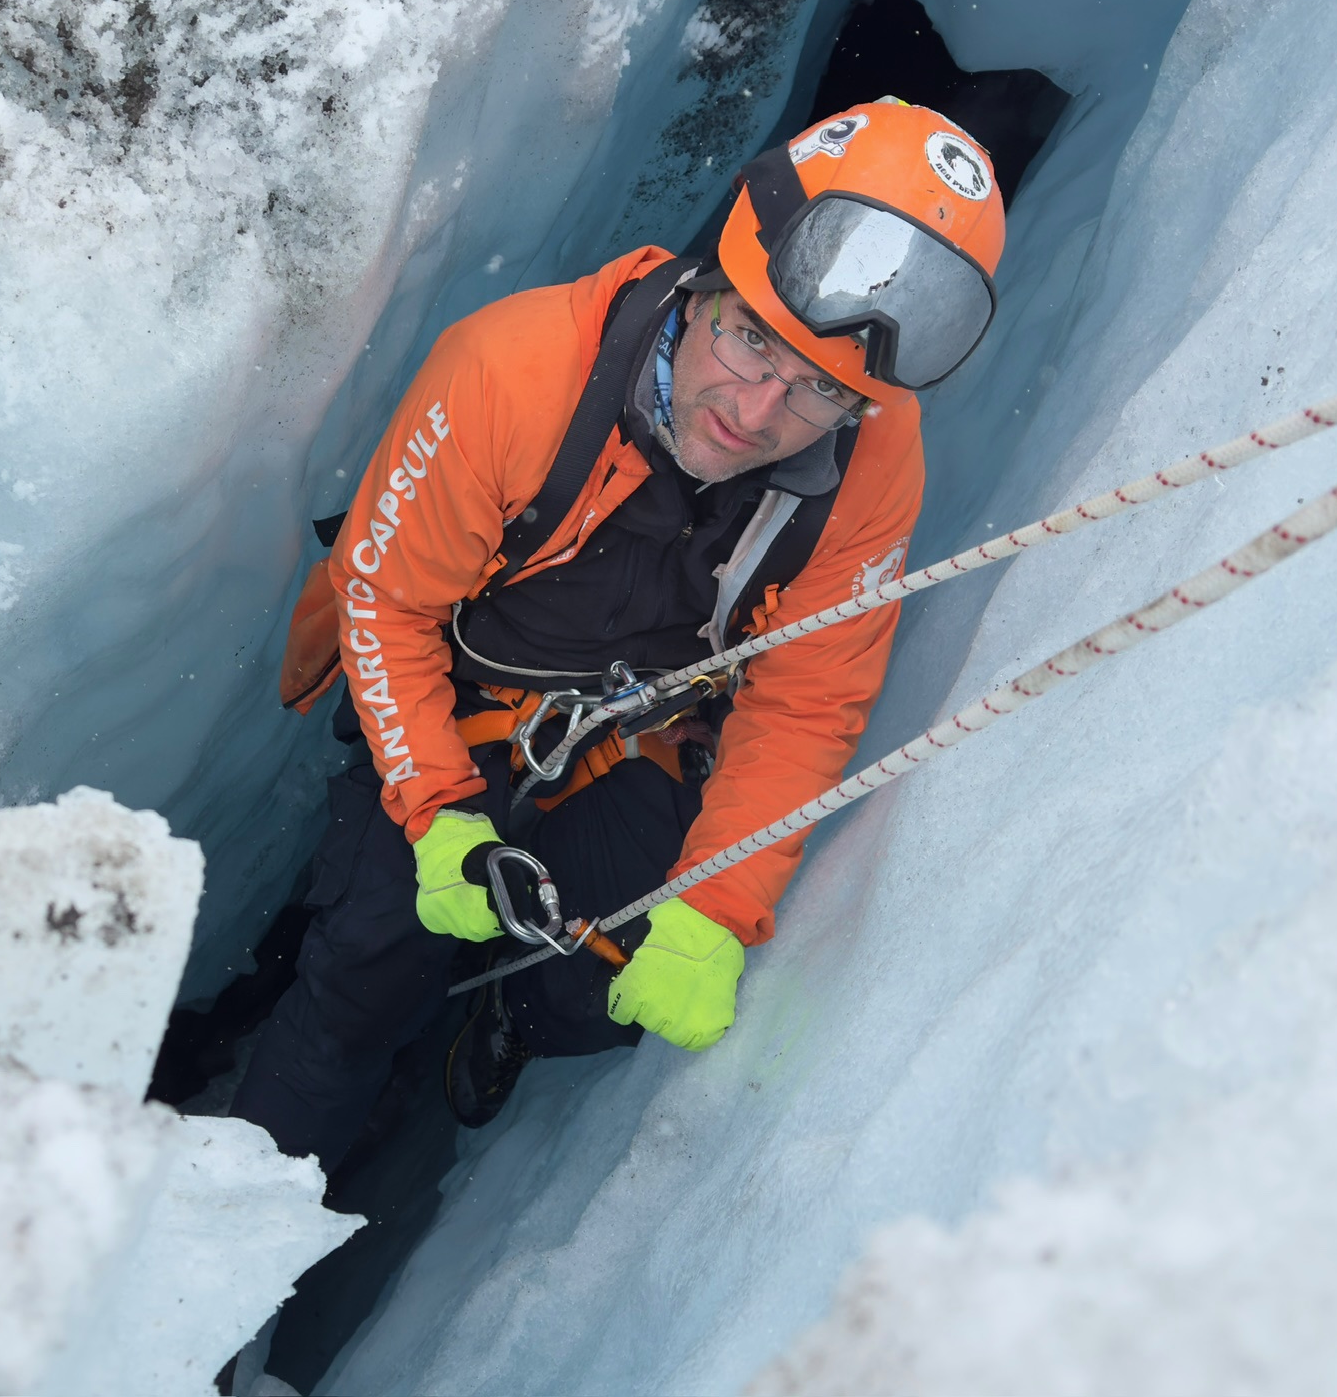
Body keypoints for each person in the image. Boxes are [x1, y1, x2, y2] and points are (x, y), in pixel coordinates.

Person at [236, 100, 1008, 1160]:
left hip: (634, 730)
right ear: (705, 289)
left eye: (814, 393)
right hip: (447, 710)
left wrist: (720, 909)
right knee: (363, 975)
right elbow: (388, 603)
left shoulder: (871, 462)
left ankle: (511, 1015)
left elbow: (805, 697)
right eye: (748, 343)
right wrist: (436, 812)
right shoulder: (513, 375)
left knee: (607, 982)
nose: (755, 411)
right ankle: (235, 1223)